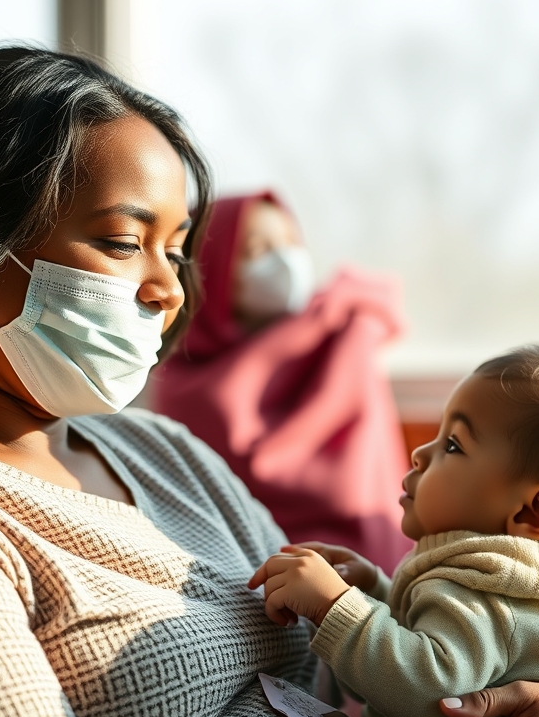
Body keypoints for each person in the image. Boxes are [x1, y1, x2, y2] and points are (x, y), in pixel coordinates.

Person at [0, 46, 539, 717]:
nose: (168, 289)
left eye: (178, 247)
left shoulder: (163, 453)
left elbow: (343, 675)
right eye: (127, 242)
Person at [250, 345, 539, 717]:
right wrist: (373, 594)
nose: (421, 453)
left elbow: (428, 699)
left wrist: (334, 607)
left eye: (453, 445)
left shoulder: (489, 590)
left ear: (532, 512)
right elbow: (401, 671)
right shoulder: (516, 595)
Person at [151, 191, 413, 570]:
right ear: (209, 267)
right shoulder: (180, 375)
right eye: (260, 249)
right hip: (265, 576)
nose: (286, 260)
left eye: (291, 243)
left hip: (377, 564)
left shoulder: (339, 332)